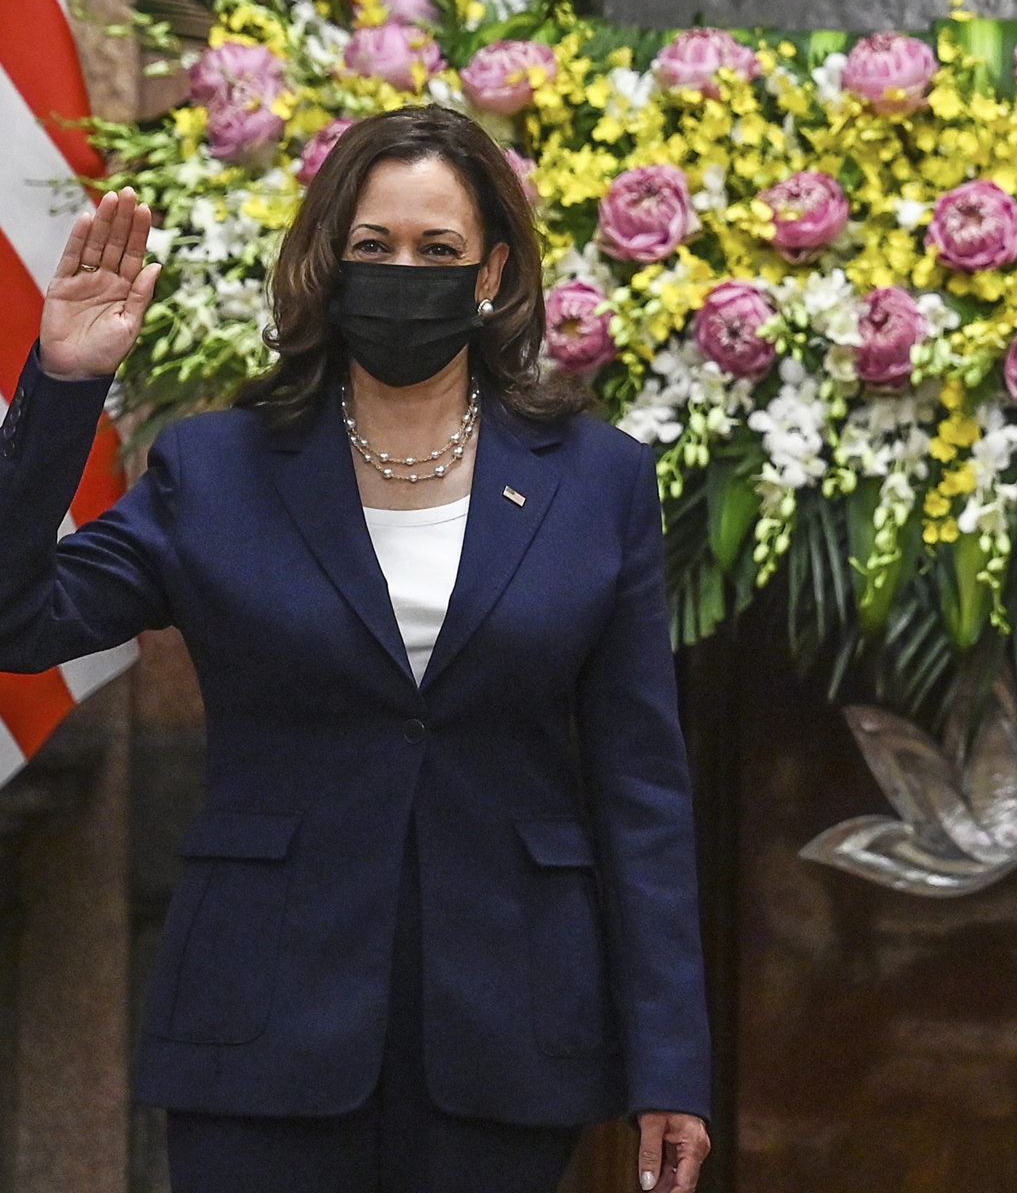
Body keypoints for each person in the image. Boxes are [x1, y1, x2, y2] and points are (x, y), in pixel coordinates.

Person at [0, 106, 710, 1193]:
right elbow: (20, 621)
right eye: (374, 246)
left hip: (507, 1030)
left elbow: (641, 789)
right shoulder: (215, 469)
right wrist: (63, 386)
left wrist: (671, 1064)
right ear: (328, 264)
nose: (403, 273)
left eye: (437, 249)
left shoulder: (596, 479)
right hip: (261, 1022)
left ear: (492, 273)